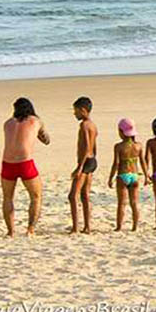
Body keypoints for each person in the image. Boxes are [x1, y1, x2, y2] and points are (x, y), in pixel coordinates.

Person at [1, 97, 50, 237]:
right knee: (36, 196)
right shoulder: (35, 121)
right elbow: (46, 140)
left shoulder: (7, 123)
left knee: (8, 197)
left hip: (7, 162)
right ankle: (30, 229)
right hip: (25, 162)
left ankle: (10, 231)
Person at [108, 118, 148, 231]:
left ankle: (119, 227)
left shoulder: (118, 147)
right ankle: (135, 227)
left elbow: (116, 163)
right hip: (135, 176)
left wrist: (110, 178)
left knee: (121, 203)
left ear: (121, 132)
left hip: (123, 175)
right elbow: (143, 162)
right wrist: (146, 176)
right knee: (134, 203)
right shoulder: (138, 146)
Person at [68, 96, 99, 234]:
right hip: (92, 160)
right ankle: (87, 226)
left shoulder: (84, 125)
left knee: (73, 195)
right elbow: (94, 146)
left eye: (76, 111)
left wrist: (79, 168)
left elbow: (86, 147)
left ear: (83, 110)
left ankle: (76, 228)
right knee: (85, 195)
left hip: (85, 162)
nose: (75, 114)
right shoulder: (93, 125)